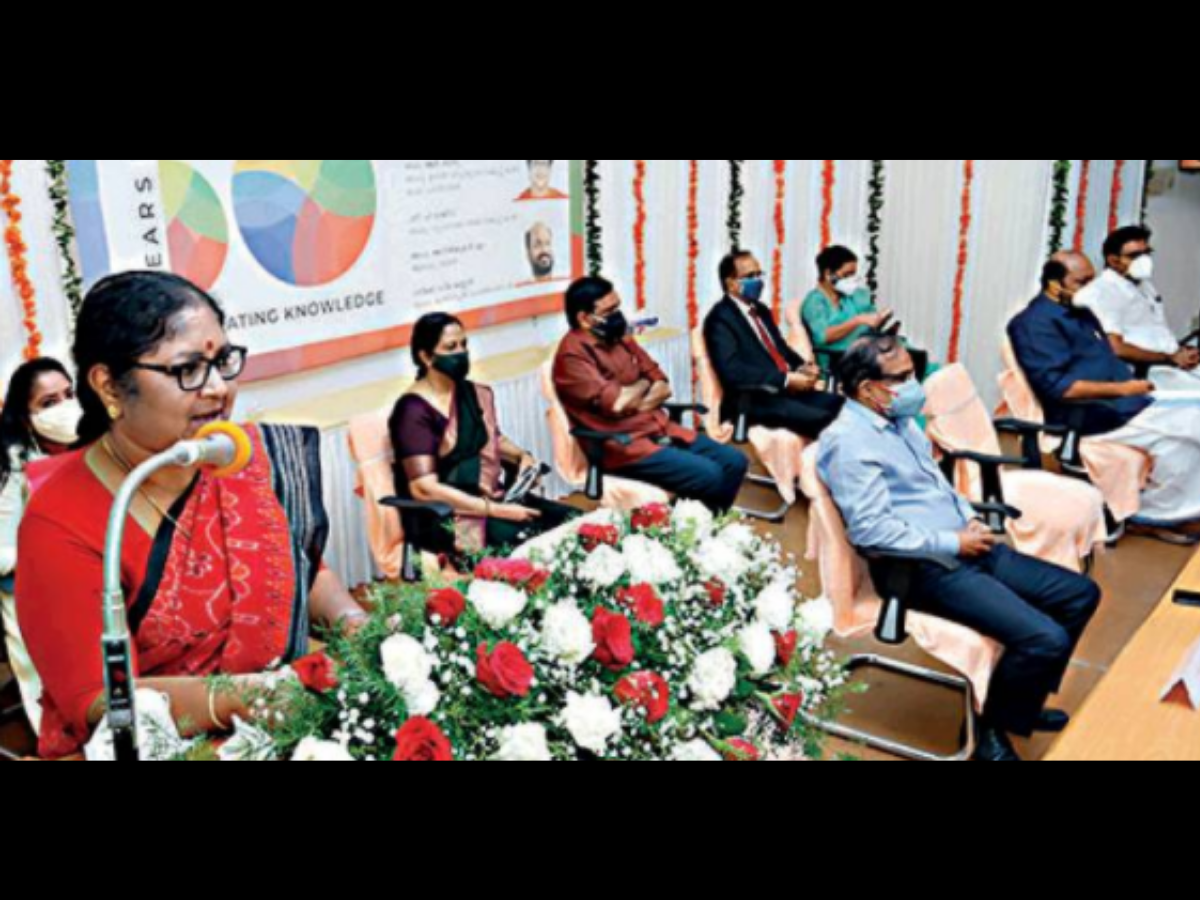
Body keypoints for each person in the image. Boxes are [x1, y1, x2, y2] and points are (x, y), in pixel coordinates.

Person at [16, 271, 368, 759]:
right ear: (109, 387)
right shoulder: (60, 520)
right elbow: (98, 698)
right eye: (188, 369)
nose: (218, 388)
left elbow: (300, 569)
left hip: (284, 725)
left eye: (223, 361)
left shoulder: (241, 457)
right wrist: (251, 697)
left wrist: (358, 627)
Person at [819, 332, 1101, 762]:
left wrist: (968, 516)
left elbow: (937, 485)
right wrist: (952, 540)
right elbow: (872, 531)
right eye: (902, 378)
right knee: (1045, 638)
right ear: (868, 389)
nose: (914, 386)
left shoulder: (899, 422)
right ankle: (992, 733)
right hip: (920, 567)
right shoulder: (849, 443)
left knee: (1079, 594)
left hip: (964, 546)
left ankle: (1019, 704)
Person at [1010, 252, 1200, 543]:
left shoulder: (1081, 312)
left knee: (1184, 435)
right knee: (1193, 421)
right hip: (1092, 413)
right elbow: (1062, 388)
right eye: (1081, 282)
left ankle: (1159, 514)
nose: (1090, 288)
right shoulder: (1034, 324)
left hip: (1125, 401)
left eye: (1092, 280)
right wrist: (1124, 390)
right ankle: (1157, 515)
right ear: (1054, 283)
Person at [390, 312, 578, 560]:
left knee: (575, 523)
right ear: (426, 357)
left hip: (492, 499)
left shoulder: (470, 393)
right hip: (451, 518)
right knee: (529, 546)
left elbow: (492, 439)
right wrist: (496, 510)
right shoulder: (413, 411)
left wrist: (522, 457)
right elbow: (424, 489)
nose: (461, 353)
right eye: (451, 347)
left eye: (464, 344)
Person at [554, 277, 749, 512]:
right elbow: (619, 403)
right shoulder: (572, 356)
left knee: (735, 462)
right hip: (623, 446)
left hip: (659, 427)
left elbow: (663, 384)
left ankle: (706, 522)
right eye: (609, 311)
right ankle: (694, 523)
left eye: (618, 307)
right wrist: (645, 384)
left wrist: (638, 396)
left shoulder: (620, 337)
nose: (618, 315)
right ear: (584, 318)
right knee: (711, 475)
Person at [1, 358, 82, 734]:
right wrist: (50, 555)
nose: (65, 407)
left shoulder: (96, 446)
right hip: (32, 595)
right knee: (60, 706)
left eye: (69, 394)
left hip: (98, 585)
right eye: (49, 402)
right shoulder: (13, 465)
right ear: (25, 416)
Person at [705, 250, 843, 438]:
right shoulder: (720, 319)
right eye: (750, 276)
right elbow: (733, 372)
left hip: (784, 392)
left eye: (759, 274)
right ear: (731, 283)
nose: (758, 281)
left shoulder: (761, 310)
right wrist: (785, 379)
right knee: (825, 420)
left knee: (844, 407)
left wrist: (802, 367)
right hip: (753, 399)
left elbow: (781, 349)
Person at [1075, 225, 1200, 391]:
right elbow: (1114, 348)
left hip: (1170, 365)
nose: (1144, 260)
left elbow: (1150, 331)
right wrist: (1170, 358)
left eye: (1147, 253)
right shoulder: (1103, 292)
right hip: (1142, 373)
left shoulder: (1144, 286)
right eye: (1134, 256)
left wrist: (1181, 352)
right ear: (1113, 260)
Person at [800, 244, 929, 379]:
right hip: (839, 359)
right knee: (902, 362)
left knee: (911, 355)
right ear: (828, 274)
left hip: (866, 351)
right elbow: (822, 337)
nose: (852, 279)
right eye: (847, 275)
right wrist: (857, 321)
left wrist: (879, 320)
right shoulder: (814, 303)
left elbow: (869, 322)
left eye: (853, 274)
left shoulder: (853, 297)